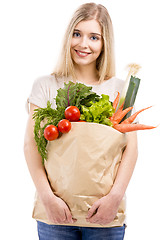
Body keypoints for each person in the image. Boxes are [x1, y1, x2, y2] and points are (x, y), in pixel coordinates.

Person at [24, 3, 138, 240]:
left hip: (105, 215)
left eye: (94, 37)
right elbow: (32, 146)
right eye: (77, 34)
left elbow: (131, 150)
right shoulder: (45, 85)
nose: (83, 44)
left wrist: (115, 198)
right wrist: (47, 198)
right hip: (55, 215)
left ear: (104, 43)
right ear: (68, 37)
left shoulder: (119, 89)